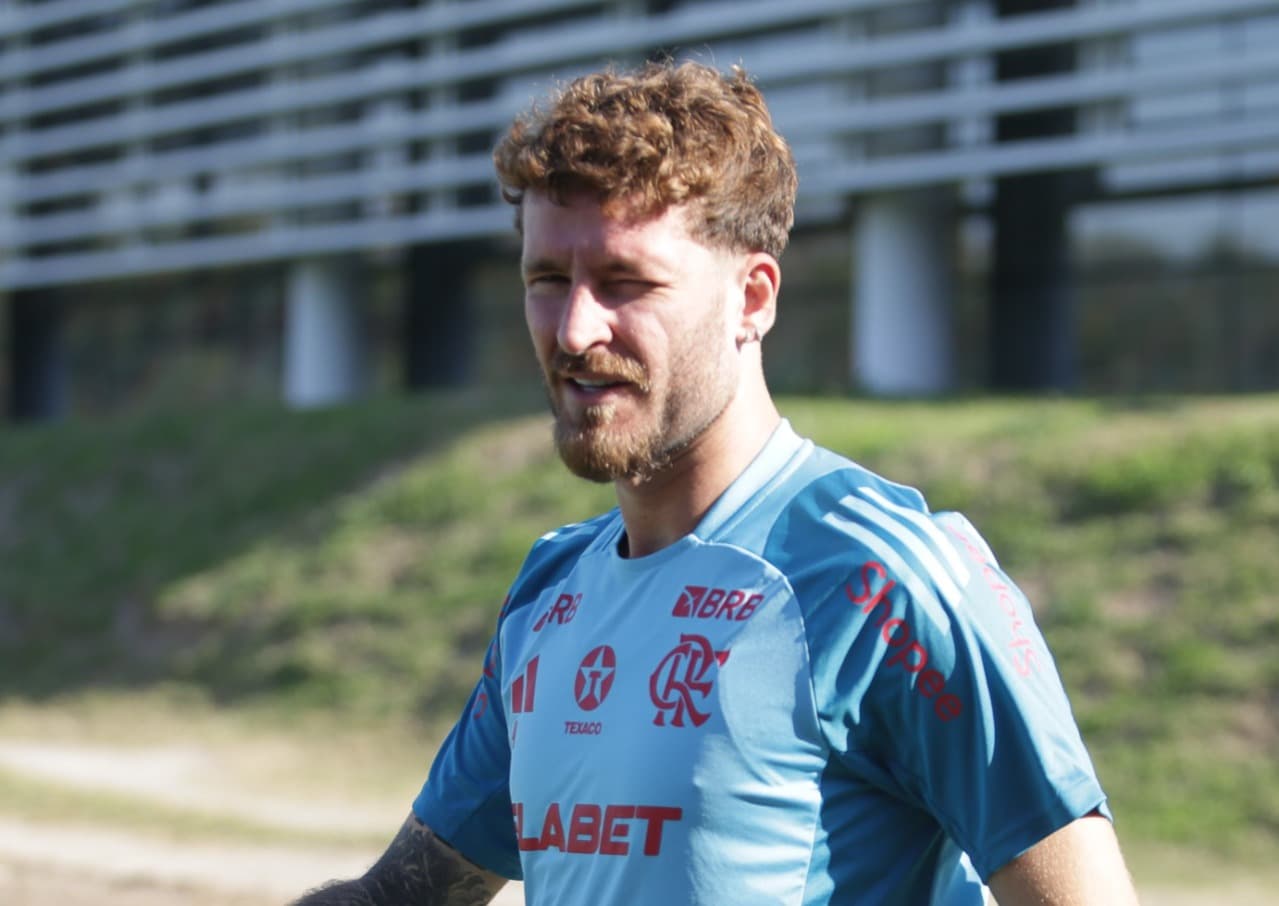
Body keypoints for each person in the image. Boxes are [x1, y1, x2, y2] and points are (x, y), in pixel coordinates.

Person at [293, 60, 1140, 906]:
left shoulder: (881, 579)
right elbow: (394, 900)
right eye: (547, 280)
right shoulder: (549, 594)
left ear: (753, 298)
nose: (576, 327)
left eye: (627, 282)